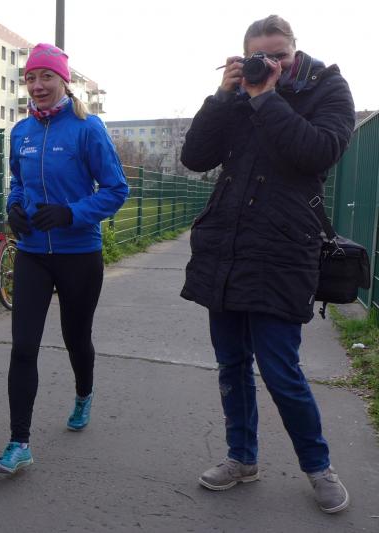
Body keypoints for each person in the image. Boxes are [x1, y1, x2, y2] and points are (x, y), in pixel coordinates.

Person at [180, 15, 354, 513]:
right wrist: (222, 97)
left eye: (280, 55)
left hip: (282, 250)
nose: (271, 64)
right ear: (244, 55)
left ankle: (318, 467)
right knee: (231, 364)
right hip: (227, 247)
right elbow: (195, 157)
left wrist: (266, 98)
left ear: (296, 51)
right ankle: (241, 458)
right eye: (261, 56)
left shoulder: (328, 88)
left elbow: (319, 152)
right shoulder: (237, 94)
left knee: (281, 370)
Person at [0, 43, 129, 474]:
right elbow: (18, 181)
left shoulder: (88, 129)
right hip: (32, 254)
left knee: (76, 338)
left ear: (63, 81)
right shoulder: (21, 132)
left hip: (78, 254)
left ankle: (84, 393)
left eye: (46, 76)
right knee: (23, 347)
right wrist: (14, 207)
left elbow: (116, 190)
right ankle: (19, 443)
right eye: (30, 78)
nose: (37, 85)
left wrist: (72, 214)